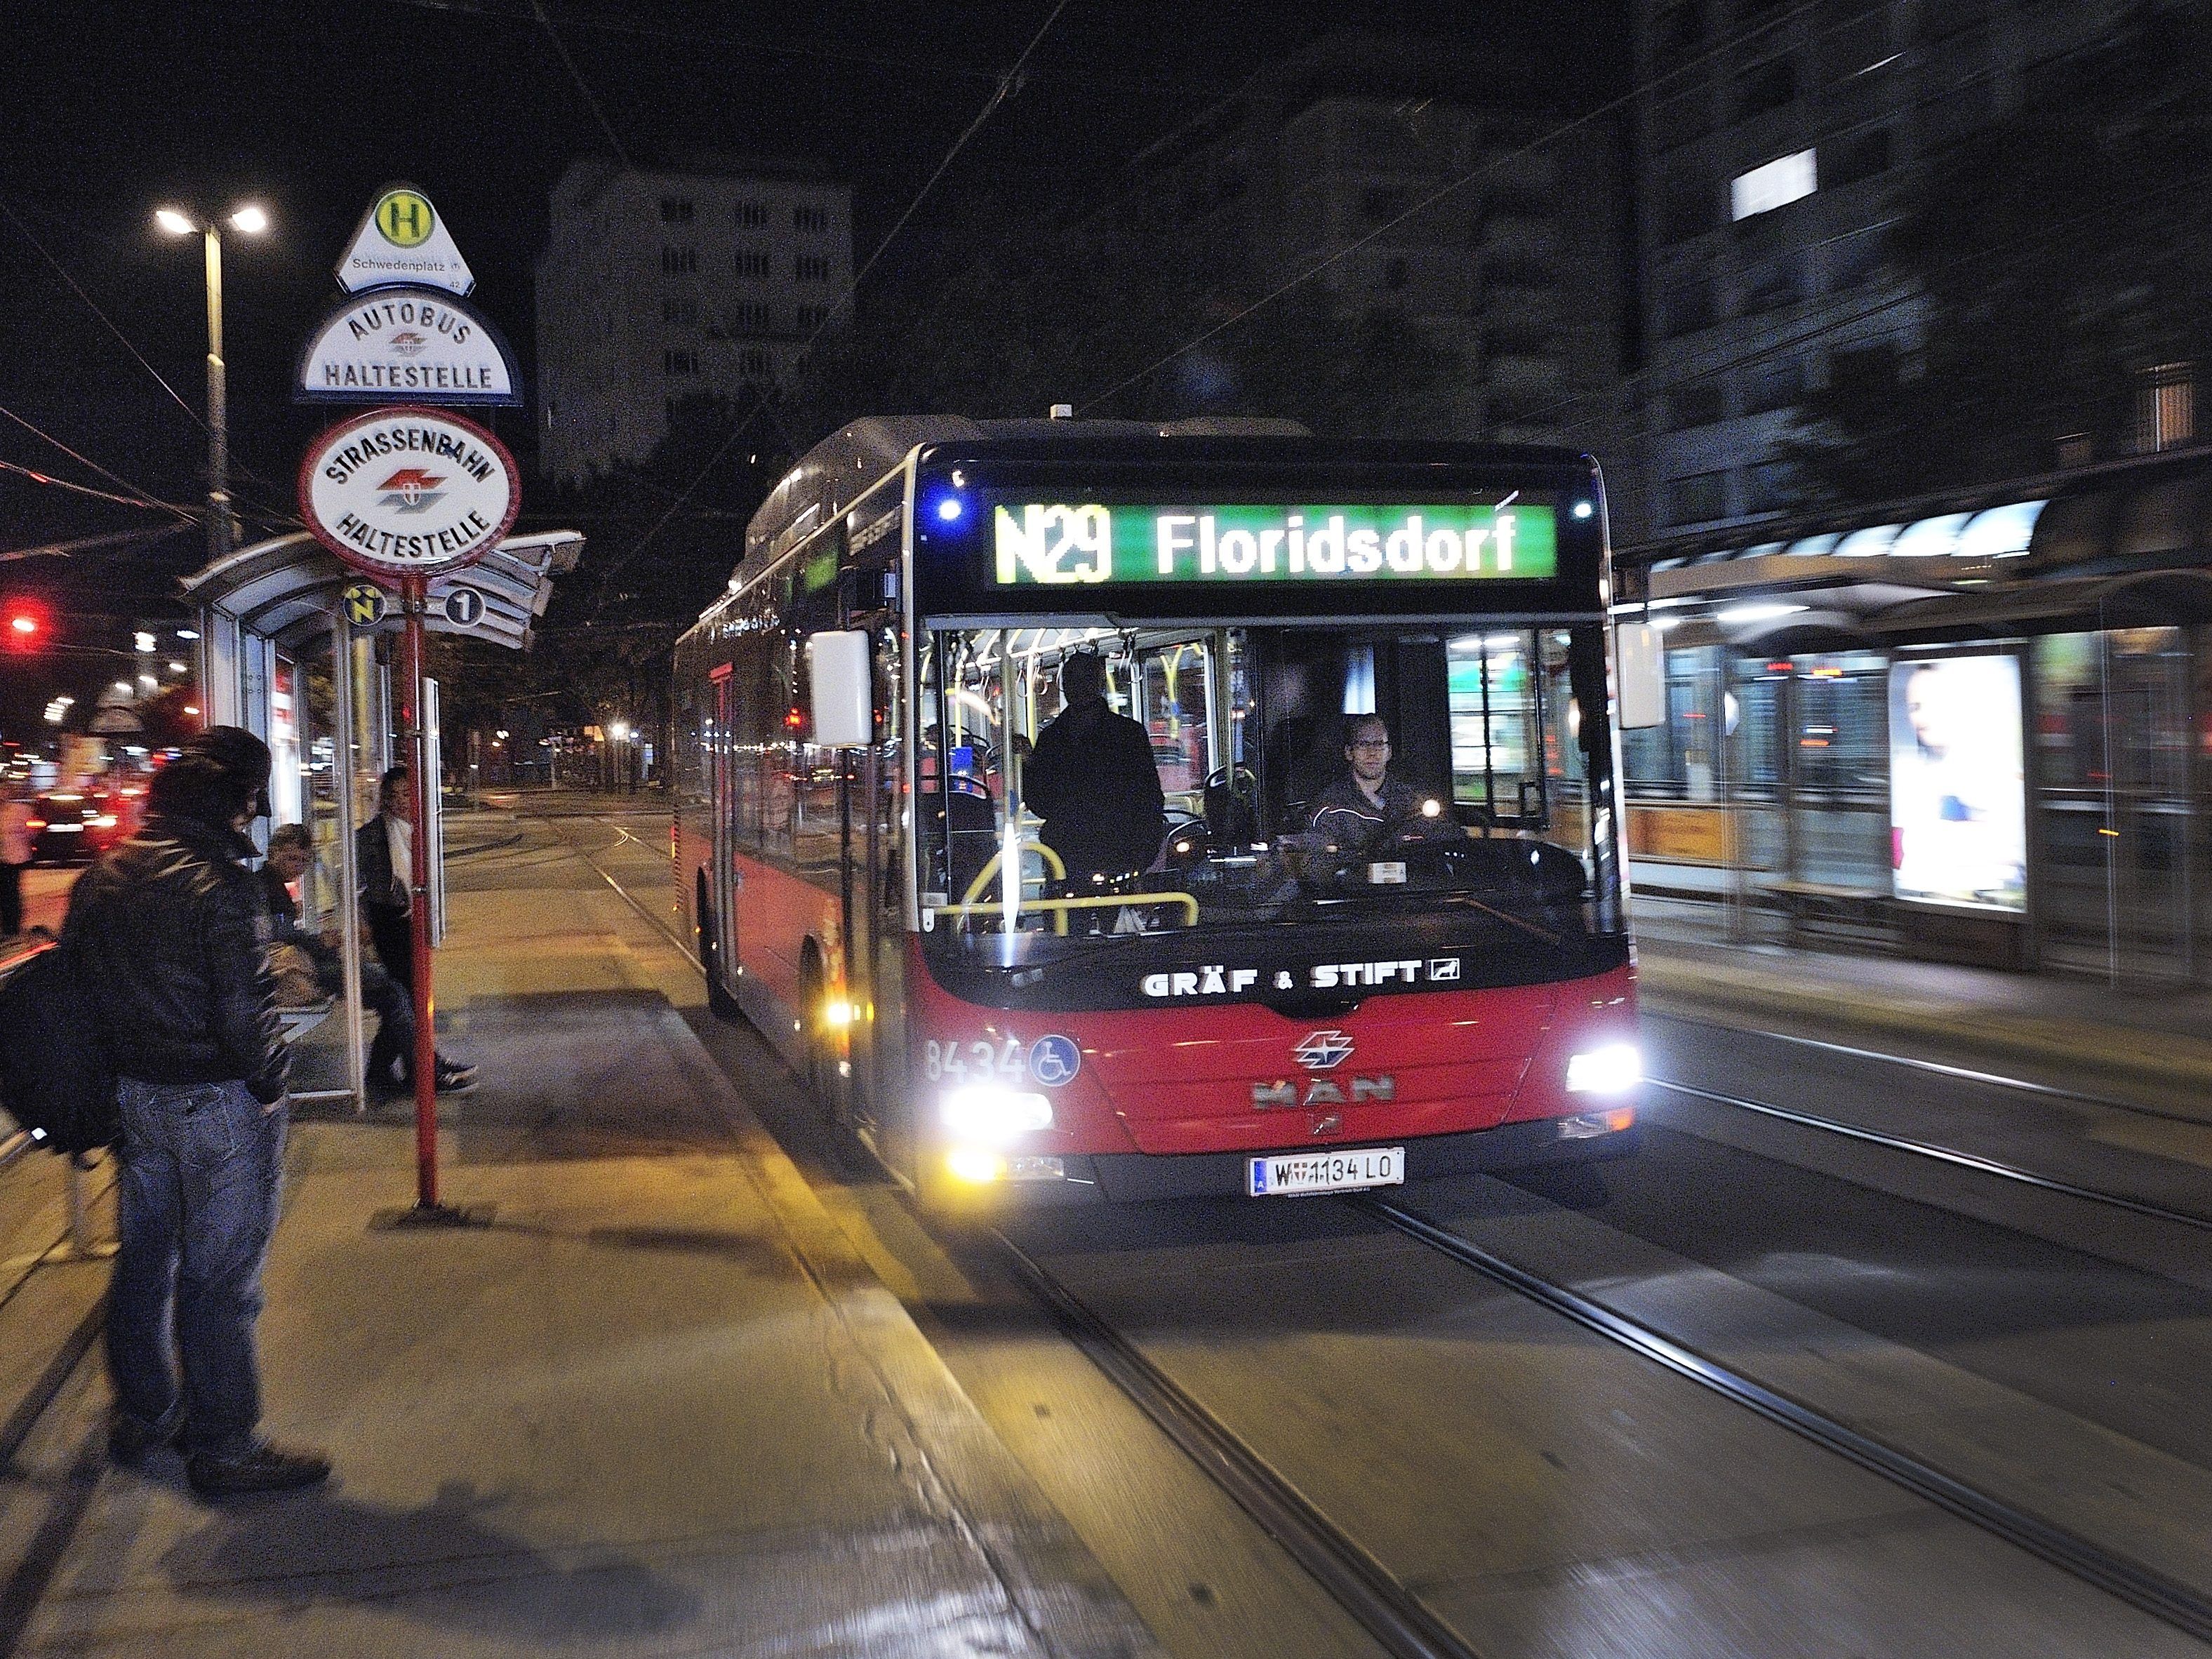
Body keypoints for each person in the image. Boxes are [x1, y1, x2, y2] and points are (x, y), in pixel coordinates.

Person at [62, 726, 331, 1498]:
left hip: (134, 1100)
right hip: (216, 1103)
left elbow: (78, 995)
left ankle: (147, 1414)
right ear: (236, 804)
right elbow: (244, 1012)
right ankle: (223, 1445)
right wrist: (273, 1084)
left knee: (145, 1261)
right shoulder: (221, 884)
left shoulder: (105, 875)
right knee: (219, 1281)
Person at [260, 823, 469, 1096]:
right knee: (394, 991)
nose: (296, 867)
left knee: (394, 994)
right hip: (300, 973)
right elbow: (277, 936)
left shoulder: (273, 886)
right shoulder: (263, 889)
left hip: (306, 965)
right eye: (290, 859)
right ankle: (421, 1069)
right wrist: (320, 941)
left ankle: (412, 1067)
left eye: (302, 861)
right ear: (272, 852)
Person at [355, 766, 474, 1093]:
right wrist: (362, 922)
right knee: (407, 998)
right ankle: (421, 1068)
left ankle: (402, 1067)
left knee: (409, 999)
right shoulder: (370, 835)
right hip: (388, 924)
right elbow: (357, 886)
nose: (399, 801)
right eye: (392, 795)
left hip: (414, 920)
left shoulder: (418, 831)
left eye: (406, 794)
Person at [1019, 652, 1166, 889]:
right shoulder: (1129, 734)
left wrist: (1029, 763)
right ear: (1099, 684)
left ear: (1065, 687)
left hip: (1069, 852)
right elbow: (1150, 798)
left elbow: (1040, 803)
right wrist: (1143, 853)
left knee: (1067, 920)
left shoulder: (1052, 739)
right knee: (1118, 920)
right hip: (1120, 849)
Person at [1305, 714, 1458, 854]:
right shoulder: (1330, 808)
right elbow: (1319, 863)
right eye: (1363, 744)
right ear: (1349, 752)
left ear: (1389, 752)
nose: (1372, 753)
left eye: (1379, 744)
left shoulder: (1414, 802)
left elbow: (1443, 840)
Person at [0, 787, 34, 936]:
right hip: (6, 857)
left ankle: (12, 927)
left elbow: (29, 831)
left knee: (10, 893)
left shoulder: (17, 811)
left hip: (12, 859)